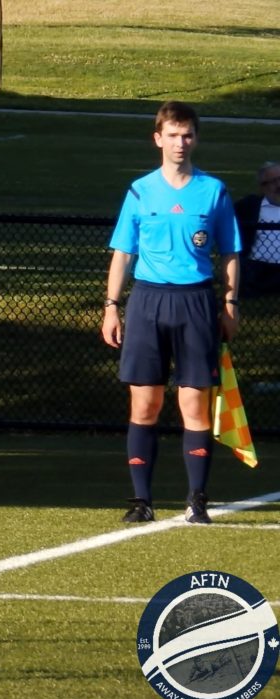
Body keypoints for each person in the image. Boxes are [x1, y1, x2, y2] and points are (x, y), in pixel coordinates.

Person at [100, 100, 241, 526]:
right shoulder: (140, 190)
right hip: (147, 302)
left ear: (196, 139)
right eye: (173, 135)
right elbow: (123, 253)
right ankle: (141, 501)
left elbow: (230, 252)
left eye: (188, 135)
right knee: (145, 403)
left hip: (195, 303)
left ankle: (197, 499)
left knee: (194, 403)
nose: (181, 142)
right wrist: (111, 307)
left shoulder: (213, 191)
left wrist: (230, 303)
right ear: (158, 139)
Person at [235, 161, 280, 297]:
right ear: (263, 187)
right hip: (259, 269)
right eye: (273, 182)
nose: (279, 185)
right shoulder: (250, 206)